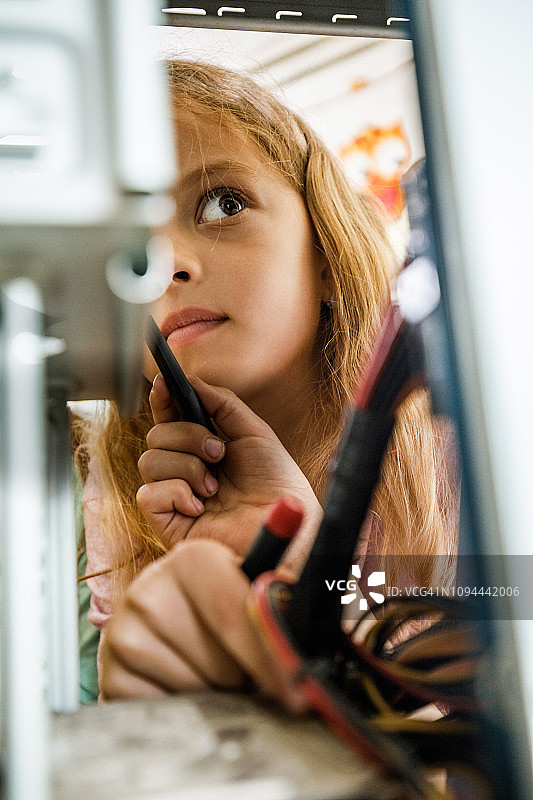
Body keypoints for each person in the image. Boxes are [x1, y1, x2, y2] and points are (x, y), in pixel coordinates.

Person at [74, 60, 458, 704]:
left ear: (328, 254)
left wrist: (310, 585)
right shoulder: (122, 482)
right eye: (131, 243)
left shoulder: (460, 445)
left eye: (222, 204)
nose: (169, 265)